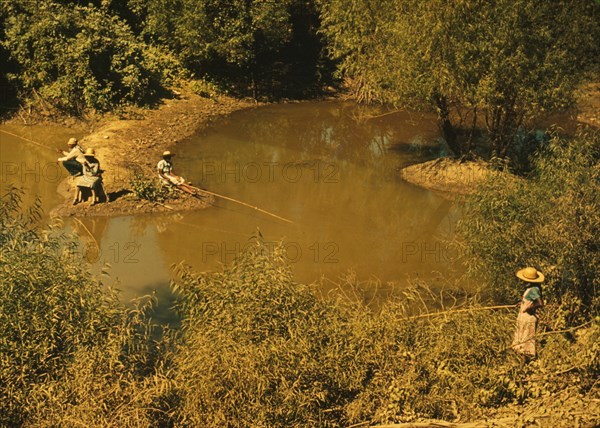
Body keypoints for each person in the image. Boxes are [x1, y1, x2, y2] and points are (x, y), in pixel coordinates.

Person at [512, 267, 544, 363]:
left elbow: (540, 303)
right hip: (524, 317)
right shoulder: (530, 288)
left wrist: (529, 308)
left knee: (526, 340)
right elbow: (529, 300)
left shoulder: (534, 289)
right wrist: (521, 303)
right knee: (521, 338)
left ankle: (525, 364)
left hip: (528, 318)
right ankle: (521, 363)